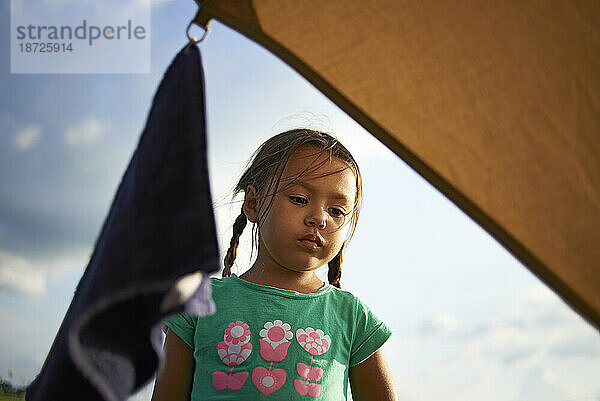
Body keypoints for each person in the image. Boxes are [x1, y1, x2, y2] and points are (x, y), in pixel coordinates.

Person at [151, 129, 397, 400]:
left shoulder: (352, 316)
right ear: (253, 203)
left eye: (336, 211)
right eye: (300, 199)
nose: (319, 218)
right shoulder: (199, 303)